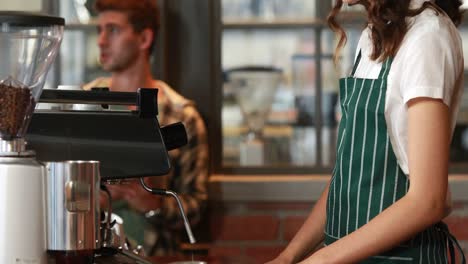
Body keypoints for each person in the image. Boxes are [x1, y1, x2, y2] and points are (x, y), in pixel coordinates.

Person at [267, 0, 466, 263]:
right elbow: (350, 176)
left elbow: (429, 200)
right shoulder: (376, 34)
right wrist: (289, 257)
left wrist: (320, 260)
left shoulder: (427, 37)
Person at [83, 0, 209, 256]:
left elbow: (196, 206)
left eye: (113, 30)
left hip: (156, 256)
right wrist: (99, 198)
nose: (101, 41)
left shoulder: (182, 115)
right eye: (99, 31)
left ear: (144, 38)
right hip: (88, 254)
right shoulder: (84, 105)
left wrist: (150, 203)